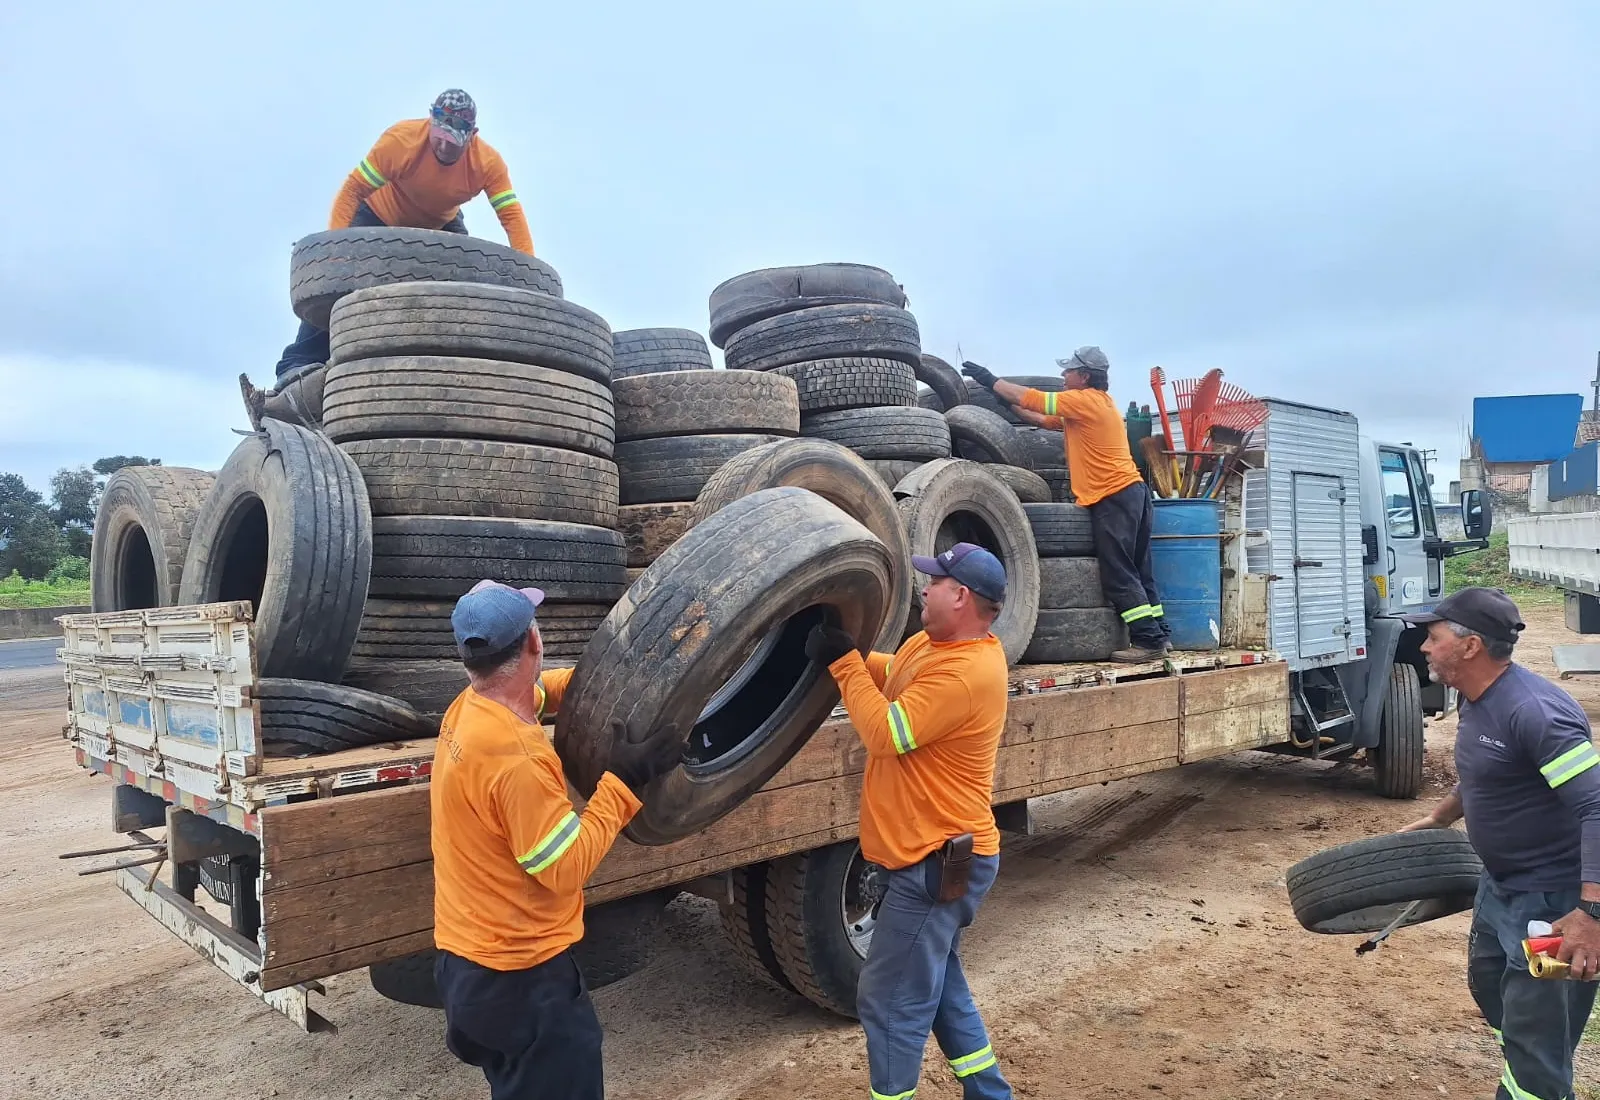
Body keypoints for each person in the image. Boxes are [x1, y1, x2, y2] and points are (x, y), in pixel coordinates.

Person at [430, 580, 679, 1100]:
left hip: (467, 968)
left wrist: (600, 683)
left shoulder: (469, 710)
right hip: (521, 981)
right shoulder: (519, 759)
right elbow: (564, 870)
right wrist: (624, 783)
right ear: (533, 644)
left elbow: (537, 693)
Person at [806, 542, 1015, 1100]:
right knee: (940, 986)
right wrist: (847, 653)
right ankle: (990, 1095)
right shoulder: (933, 643)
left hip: (937, 861)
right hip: (930, 854)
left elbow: (886, 734)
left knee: (889, 998)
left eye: (935, 582)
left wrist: (844, 664)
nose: (924, 589)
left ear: (962, 596)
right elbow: (895, 674)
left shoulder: (969, 674)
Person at [1398, 587, 1600, 1100]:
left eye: (1433, 636)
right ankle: (1533, 1067)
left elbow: (1597, 808)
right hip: (1501, 888)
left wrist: (1589, 916)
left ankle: (1536, 1085)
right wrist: (1439, 817)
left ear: (1470, 647)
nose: (1424, 646)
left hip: (1553, 904)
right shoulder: (1476, 698)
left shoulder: (1535, 712)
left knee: (1538, 1033)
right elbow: (1483, 773)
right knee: (1491, 985)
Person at [275, 89, 535, 377]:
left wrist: (530, 276)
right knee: (336, 280)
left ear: (472, 135)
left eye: (454, 143)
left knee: (464, 284)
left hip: (440, 222)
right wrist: (335, 252)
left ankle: (450, 362)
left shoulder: (488, 163)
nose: (444, 147)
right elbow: (352, 191)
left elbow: (511, 217)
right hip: (377, 214)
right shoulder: (401, 141)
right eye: (440, 137)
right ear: (431, 120)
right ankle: (297, 363)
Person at [961, 347, 1171, 662]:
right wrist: (1009, 405)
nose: (1063, 376)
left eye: (1068, 371)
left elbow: (1034, 398)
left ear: (1084, 376)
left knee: (1118, 571)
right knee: (1140, 569)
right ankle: (1160, 634)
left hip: (1113, 496)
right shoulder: (1095, 406)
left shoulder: (1084, 400)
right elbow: (1045, 420)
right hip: (1132, 492)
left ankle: (1147, 640)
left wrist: (990, 380)